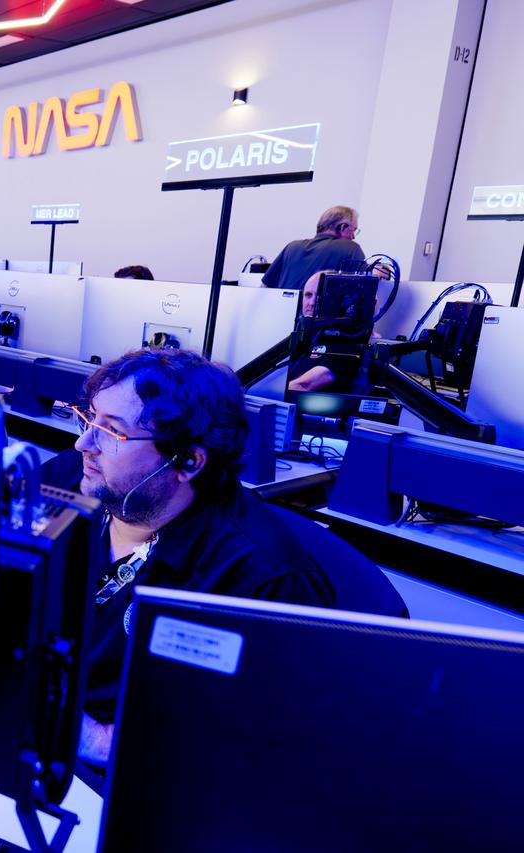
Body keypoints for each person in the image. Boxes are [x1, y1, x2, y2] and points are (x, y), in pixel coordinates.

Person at [68, 348, 399, 767]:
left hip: (136, 775)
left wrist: (96, 739)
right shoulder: (79, 480)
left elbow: (258, 740)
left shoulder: (262, 579)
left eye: (111, 432)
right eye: (88, 417)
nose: (83, 442)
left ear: (187, 460)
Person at [286, 270, 374, 394]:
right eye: (308, 295)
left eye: (318, 296)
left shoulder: (346, 340)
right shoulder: (301, 336)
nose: (311, 303)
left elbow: (307, 384)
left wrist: (270, 392)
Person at [262, 205, 365, 290]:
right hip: (321, 314)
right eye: (353, 230)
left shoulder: (292, 246)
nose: (353, 237)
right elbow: (366, 289)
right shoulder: (351, 248)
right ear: (342, 227)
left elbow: (264, 288)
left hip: (283, 312)